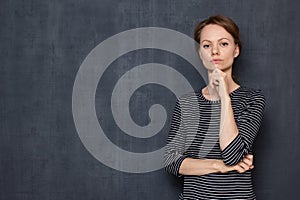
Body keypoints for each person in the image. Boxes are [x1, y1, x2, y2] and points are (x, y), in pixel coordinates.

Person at [164, 15, 265, 199]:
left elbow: (232, 155)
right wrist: (219, 166)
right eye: (207, 45)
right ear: (200, 52)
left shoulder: (252, 99)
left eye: (224, 44)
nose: (215, 51)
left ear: (236, 50)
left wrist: (224, 97)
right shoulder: (187, 103)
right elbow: (171, 161)